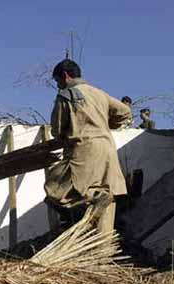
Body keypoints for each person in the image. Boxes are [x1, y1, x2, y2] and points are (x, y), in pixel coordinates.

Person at [44, 59, 131, 234]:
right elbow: (125, 112)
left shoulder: (66, 95)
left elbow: (58, 129)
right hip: (107, 150)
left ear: (66, 76)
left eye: (58, 81)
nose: (58, 85)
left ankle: (88, 207)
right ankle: (101, 251)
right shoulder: (99, 93)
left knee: (55, 188)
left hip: (84, 151)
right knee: (107, 196)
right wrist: (105, 124)